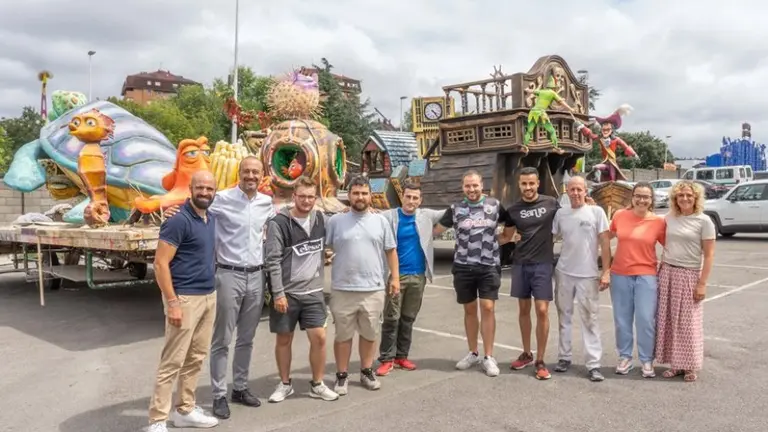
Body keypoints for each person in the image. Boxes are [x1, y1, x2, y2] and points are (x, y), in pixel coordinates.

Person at [164, 156, 275, 419]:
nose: (251, 176)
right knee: (222, 339)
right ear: (239, 173)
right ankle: (218, 395)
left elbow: (287, 214)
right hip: (228, 275)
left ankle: (240, 387)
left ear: (262, 176)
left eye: (255, 172)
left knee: (247, 338)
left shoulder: (266, 203)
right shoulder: (222, 198)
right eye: (246, 171)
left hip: (257, 276)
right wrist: (174, 210)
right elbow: (195, 206)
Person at [147, 171, 219, 432]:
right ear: (190, 189)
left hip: (209, 295)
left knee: (196, 357)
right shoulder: (178, 221)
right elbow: (160, 263)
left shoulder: (210, 218)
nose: (204, 193)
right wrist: (173, 302)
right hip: (185, 298)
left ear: (215, 191)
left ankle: (185, 409)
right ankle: (157, 419)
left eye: (209, 189)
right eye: (200, 188)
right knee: (172, 360)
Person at [263, 176, 339, 402]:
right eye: (302, 196)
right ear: (293, 196)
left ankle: (317, 383)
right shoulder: (279, 223)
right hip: (286, 294)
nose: (306, 201)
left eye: (310, 197)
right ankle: (285, 384)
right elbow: (272, 261)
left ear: (316, 198)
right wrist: (278, 293)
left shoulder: (320, 219)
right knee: (284, 339)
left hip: (313, 292)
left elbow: (345, 219)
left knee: (320, 338)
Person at [325, 175, 400, 395]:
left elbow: (391, 251)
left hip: (373, 288)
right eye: (356, 193)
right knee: (342, 336)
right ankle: (341, 375)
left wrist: (395, 278)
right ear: (349, 196)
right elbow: (324, 248)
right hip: (342, 288)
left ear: (370, 195)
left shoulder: (381, 221)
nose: (360, 197)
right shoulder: (335, 221)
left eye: (364, 193)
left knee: (370, 334)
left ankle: (366, 370)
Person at [434, 170, 508, 377]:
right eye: (467, 186)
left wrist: (503, 239)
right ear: (462, 187)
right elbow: (434, 230)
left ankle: (489, 356)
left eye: (475, 185)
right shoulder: (456, 209)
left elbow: (510, 224)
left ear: (481, 185)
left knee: (487, 307)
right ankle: (473, 352)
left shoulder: (495, 205)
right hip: (463, 266)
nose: (472, 189)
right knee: (469, 310)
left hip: (488, 265)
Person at [374, 180, 445, 376]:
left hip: (418, 276)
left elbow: (451, 213)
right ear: (402, 197)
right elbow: (369, 215)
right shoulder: (389, 216)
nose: (411, 201)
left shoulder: (426, 216)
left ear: (420, 200)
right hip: (396, 276)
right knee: (391, 318)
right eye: (408, 197)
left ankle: (401, 356)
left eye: (415, 198)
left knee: (408, 318)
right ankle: (386, 359)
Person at [500, 167, 560, 380]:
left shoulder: (551, 203)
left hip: (542, 264)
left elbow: (569, 217)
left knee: (542, 310)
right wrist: (483, 235)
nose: (528, 187)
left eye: (531, 183)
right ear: (519, 185)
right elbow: (505, 237)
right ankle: (526, 353)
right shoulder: (513, 210)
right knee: (523, 310)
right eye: (524, 184)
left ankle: (541, 360)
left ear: (537, 184)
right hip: (521, 264)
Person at [550, 176, 612, 382]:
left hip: (588, 274)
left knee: (590, 320)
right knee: (563, 317)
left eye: (579, 189)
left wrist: (606, 271)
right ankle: (564, 357)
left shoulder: (596, 212)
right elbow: (550, 238)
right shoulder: (561, 213)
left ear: (586, 191)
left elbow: (605, 242)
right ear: (566, 191)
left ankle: (593, 364)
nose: (575, 193)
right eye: (571, 189)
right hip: (564, 272)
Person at [655, 180, 715, 382]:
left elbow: (709, 255)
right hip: (668, 273)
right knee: (669, 321)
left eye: (689, 195)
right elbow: (645, 218)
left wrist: (702, 283)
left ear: (696, 198)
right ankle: (676, 364)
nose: (685, 198)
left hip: (689, 275)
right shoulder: (669, 218)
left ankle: (690, 365)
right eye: (681, 195)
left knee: (689, 323)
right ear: (675, 198)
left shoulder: (704, 221)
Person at [608, 181, 666, 378]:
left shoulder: (659, 222)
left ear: (651, 200)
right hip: (620, 273)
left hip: (646, 275)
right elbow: (606, 236)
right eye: (638, 196)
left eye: (646, 197)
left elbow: (671, 246)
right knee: (622, 319)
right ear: (632, 198)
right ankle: (625, 357)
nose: (641, 200)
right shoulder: (619, 215)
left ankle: (646, 359)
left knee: (645, 319)